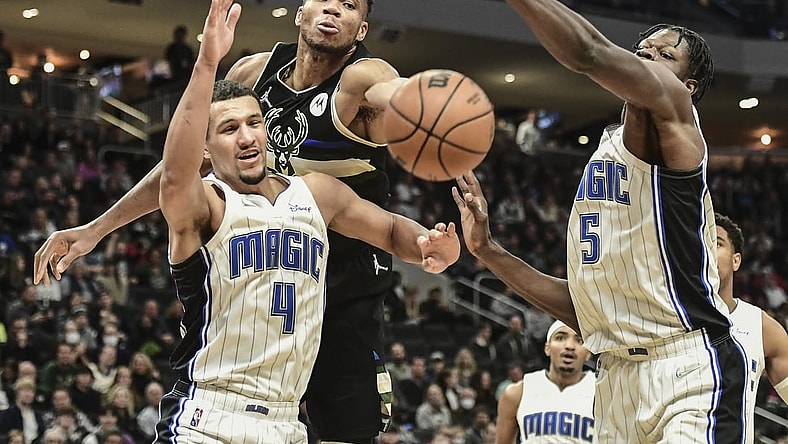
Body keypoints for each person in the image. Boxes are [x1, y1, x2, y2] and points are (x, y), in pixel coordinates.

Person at [33, 0, 407, 441]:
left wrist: (428, 106)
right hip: (267, 272)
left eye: (349, 5)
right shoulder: (253, 74)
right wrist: (96, 229)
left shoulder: (363, 77)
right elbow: (186, 165)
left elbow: (394, 94)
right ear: (300, 10)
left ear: (362, 29)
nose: (334, 9)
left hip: (344, 282)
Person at [117, 2, 453, 443]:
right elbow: (175, 171)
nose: (247, 135)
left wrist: (428, 244)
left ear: (362, 29)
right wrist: (207, 63)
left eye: (255, 122)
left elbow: (392, 223)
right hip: (211, 411)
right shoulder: (208, 206)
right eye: (230, 127)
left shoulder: (317, 186)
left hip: (334, 303)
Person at [452, 1, 747, 442]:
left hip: (687, 367)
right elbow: (588, 312)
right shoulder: (608, 154)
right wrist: (488, 251)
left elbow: (589, 51)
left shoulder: (674, 113)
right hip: (614, 379)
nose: (646, 56)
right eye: (642, 49)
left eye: (663, 55)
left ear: (687, 85)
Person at [715, 213, 788, 442]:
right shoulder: (666, 318)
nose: (706, 250)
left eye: (716, 243)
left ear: (736, 260)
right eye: (700, 242)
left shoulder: (760, 326)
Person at [496, 320, 595, 444]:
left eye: (579, 340)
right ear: (547, 348)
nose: (569, 345)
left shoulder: (603, 393)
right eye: (560, 338)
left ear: (588, 353)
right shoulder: (518, 392)